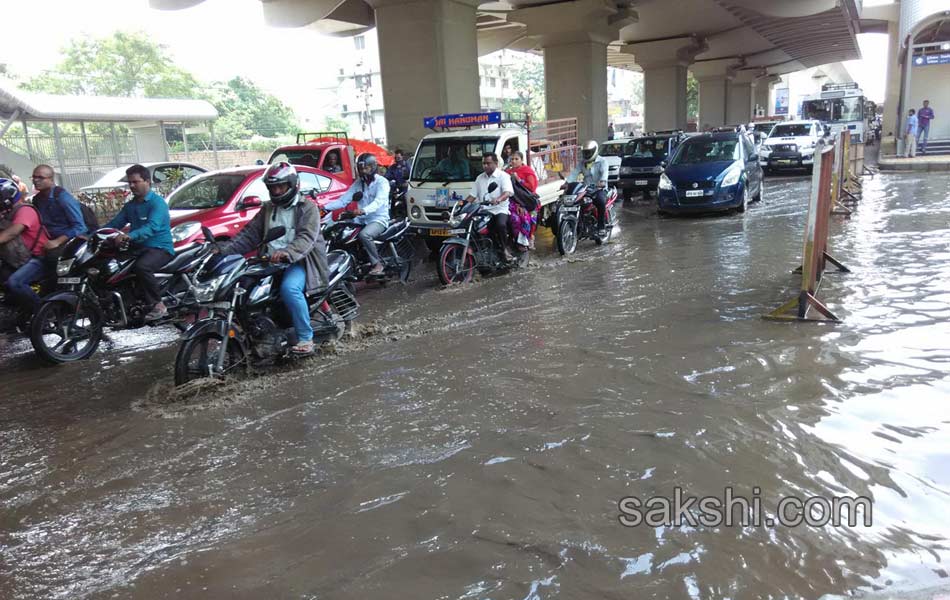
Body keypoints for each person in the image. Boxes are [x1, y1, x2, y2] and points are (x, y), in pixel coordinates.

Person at [218, 162, 330, 354]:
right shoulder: (268, 208)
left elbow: (306, 237)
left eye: (281, 186)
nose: (277, 191)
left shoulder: (307, 208)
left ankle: (305, 338)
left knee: (290, 289)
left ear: (292, 185)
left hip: (299, 261)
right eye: (273, 187)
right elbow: (249, 235)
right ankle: (254, 333)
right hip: (269, 261)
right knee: (239, 289)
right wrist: (223, 252)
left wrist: (288, 253)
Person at [5, 164, 85, 311]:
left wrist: (58, 241)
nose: (36, 180)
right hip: (44, 245)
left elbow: (80, 226)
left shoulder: (63, 198)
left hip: (63, 245)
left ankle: (47, 313)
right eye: (34, 177)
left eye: (40, 177)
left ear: (51, 179)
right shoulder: (37, 199)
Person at [103, 164, 175, 321]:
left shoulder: (157, 203)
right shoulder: (131, 205)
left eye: (135, 182)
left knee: (142, 267)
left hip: (159, 248)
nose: (132, 185)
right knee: (113, 266)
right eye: (130, 182)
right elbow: (116, 223)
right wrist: (94, 234)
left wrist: (129, 236)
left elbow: (152, 227)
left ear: (147, 181)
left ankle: (158, 305)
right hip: (139, 247)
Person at [323, 153, 391, 276]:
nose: (363, 171)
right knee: (340, 231)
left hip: (378, 219)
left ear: (373, 167)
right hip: (360, 219)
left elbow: (379, 201)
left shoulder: (382, 182)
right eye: (360, 168)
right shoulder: (358, 183)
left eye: (366, 168)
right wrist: (324, 207)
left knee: (364, 235)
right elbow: (343, 200)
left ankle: (377, 264)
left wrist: (363, 210)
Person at [465, 152, 514, 262]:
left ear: (496, 164)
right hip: (483, 210)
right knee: (469, 225)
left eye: (488, 163)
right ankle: (475, 249)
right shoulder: (479, 178)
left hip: (499, 209)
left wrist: (498, 199)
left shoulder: (503, 176)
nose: (485, 166)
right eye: (483, 163)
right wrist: (462, 205)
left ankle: (505, 249)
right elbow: (472, 196)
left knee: (500, 224)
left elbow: (507, 192)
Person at [0, 179, 48, 286]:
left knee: (15, 283)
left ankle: (36, 303)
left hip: (37, 259)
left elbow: (11, 232)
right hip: (15, 259)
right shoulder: (5, 213)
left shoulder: (25, 210)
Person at [567, 140, 608, 238]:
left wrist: (602, 182)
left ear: (595, 151)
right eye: (585, 152)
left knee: (601, 201)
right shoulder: (582, 163)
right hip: (586, 189)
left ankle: (601, 227)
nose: (587, 154)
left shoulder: (602, 161)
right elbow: (574, 173)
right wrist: (567, 183)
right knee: (575, 201)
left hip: (599, 189)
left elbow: (604, 174)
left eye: (589, 152)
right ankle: (580, 224)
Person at [505, 151, 539, 249]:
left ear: (521, 160)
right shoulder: (507, 173)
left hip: (528, 201)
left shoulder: (527, 171)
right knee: (515, 218)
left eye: (516, 159)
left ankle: (530, 237)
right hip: (514, 202)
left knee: (530, 218)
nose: (514, 161)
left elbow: (531, 187)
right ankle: (518, 241)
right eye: (512, 159)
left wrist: (519, 179)